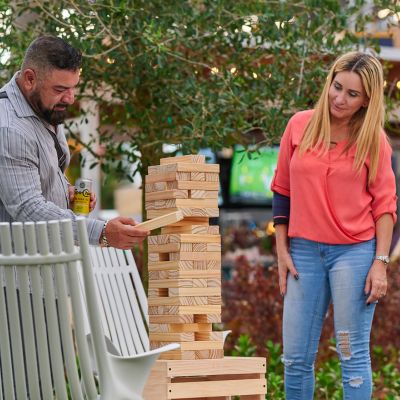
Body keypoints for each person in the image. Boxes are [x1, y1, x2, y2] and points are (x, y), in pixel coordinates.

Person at [271, 51, 397, 399]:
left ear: (366, 100)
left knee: (351, 354)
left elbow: (385, 206)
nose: (340, 99)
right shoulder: (299, 125)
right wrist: (282, 251)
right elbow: (282, 191)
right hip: (303, 253)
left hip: (354, 256)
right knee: (295, 358)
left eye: (352, 94)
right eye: (337, 87)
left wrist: (380, 263)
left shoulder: (374, 142)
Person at [0, 35, 149, 248]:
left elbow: (38, 179)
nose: (70, 98)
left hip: (47, 265)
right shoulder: (9, 128)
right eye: (60, 90)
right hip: (19, 276)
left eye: (73, 87)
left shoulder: (44, 109)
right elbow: (28, 208)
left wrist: (65, 192)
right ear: (30, 79)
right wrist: (102, 231)